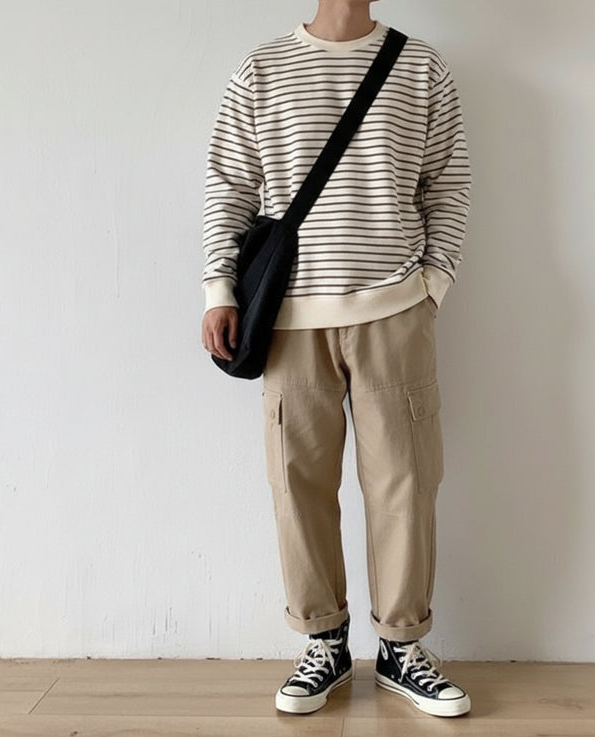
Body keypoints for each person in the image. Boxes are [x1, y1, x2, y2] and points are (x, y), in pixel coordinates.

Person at [199, 0, 473, 719]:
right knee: (297, 483)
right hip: (290, 317)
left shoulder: (421, 66)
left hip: (394, 309)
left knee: (406, 482)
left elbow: (447, 184)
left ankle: (402, 646)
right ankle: (324, 640)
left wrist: (432, 285)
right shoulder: (263, 68)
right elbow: (230, 185)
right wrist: (218, 289)